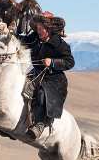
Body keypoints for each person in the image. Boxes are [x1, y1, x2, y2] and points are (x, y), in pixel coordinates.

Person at [20, 12, 75, 140]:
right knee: (18, 86)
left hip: (54, 79)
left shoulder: (61, 45)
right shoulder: (35, 39)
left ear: (48, 29)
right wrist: (9, 34)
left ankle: (40, 124)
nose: (38, 31)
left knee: (40, 93)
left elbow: (70, 62)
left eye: (41, 29)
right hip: (36, 73)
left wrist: (53, 62)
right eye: (37, 28)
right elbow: (22, 40)